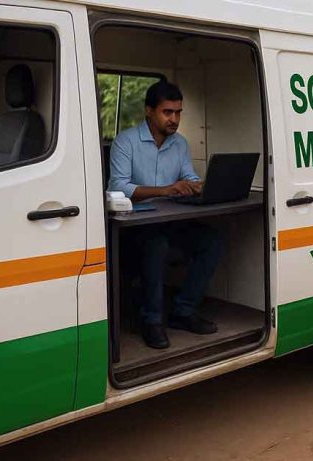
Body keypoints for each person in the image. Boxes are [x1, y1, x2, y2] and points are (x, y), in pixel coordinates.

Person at [108, 80, 221, 349]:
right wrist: (166, 189)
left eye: (178, 113)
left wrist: (196, 185)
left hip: (170, 222)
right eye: (167, 112)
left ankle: (183, 311)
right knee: (155, 246)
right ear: (149, 111)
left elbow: (188, 175)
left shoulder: (179, 144)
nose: (174, 119)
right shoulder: (126, 142)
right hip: (132, 230)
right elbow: (118, 186)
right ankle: (151, 321)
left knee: (211, 241)